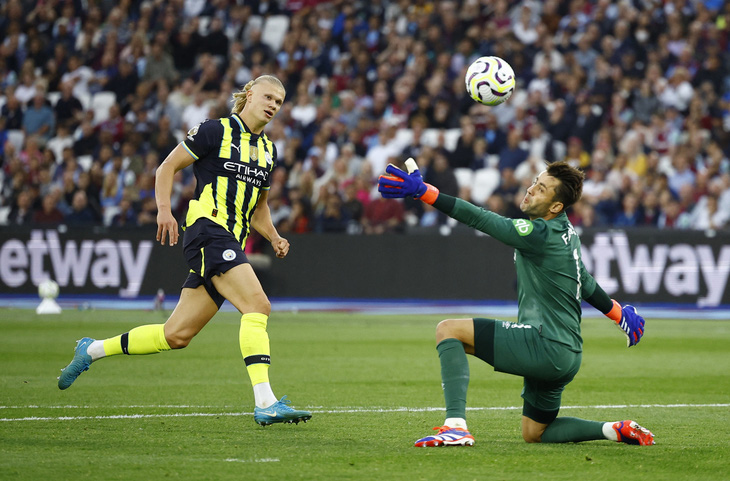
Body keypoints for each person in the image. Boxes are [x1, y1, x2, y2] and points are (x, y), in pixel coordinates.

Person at [58, 75, 312, 426]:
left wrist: (274, 237)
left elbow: (259, 208)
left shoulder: (268, 150)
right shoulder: (215, 131)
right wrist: (164, 210)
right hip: (208, 231)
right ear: (250, 95)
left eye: (279, 102)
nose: (273, 105)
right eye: (268, 97)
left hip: (229, 241)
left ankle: (92, 349)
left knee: (175, 335)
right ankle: (265, 402)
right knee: (258, 305)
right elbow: (166, 168)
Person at [378, 158, 654, 447]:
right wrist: (617, 313)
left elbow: (482, 219)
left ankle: (456, 427)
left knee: (448, 330)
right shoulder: (567, 233)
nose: (531, 188)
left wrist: (426, 192)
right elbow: (582, 280)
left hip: (544, 343)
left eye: (542, 188)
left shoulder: (539, 233)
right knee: (536, 433)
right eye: (535, 181)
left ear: (555, 206)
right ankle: (614, 429)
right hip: (567, 355)